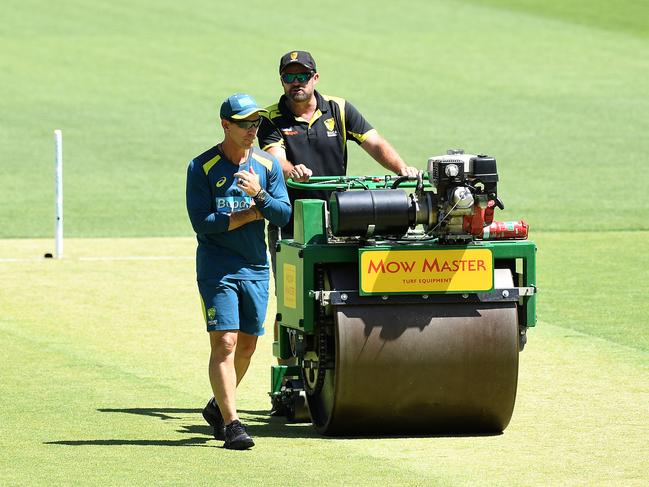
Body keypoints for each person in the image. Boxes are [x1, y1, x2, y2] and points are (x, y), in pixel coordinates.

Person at [256, 50, 419, 375]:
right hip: (291, 221)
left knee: (344, 288)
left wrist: (402, 168)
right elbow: (275, 159)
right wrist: (292, 170)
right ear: (282, 81)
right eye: (289, 77)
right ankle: (288, 377)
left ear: (315, 78)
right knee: (291, 301)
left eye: (303, 76)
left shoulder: (340, 109)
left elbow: (373, 142)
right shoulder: (271, 118)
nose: (296, 83)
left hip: (340, 219)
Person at [186, 93, 291, 449]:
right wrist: (249, 214)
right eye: (245, 123)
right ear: (225, 125)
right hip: (218, 269)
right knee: (226, 341)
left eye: (256, 123)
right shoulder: (202, 168)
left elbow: (282, 214)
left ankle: (218, 407)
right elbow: (204, 223)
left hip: (256, 268)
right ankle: (232, 425)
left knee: (247, 345)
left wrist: (260, 197)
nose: (252, 129)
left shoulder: (266, 166)